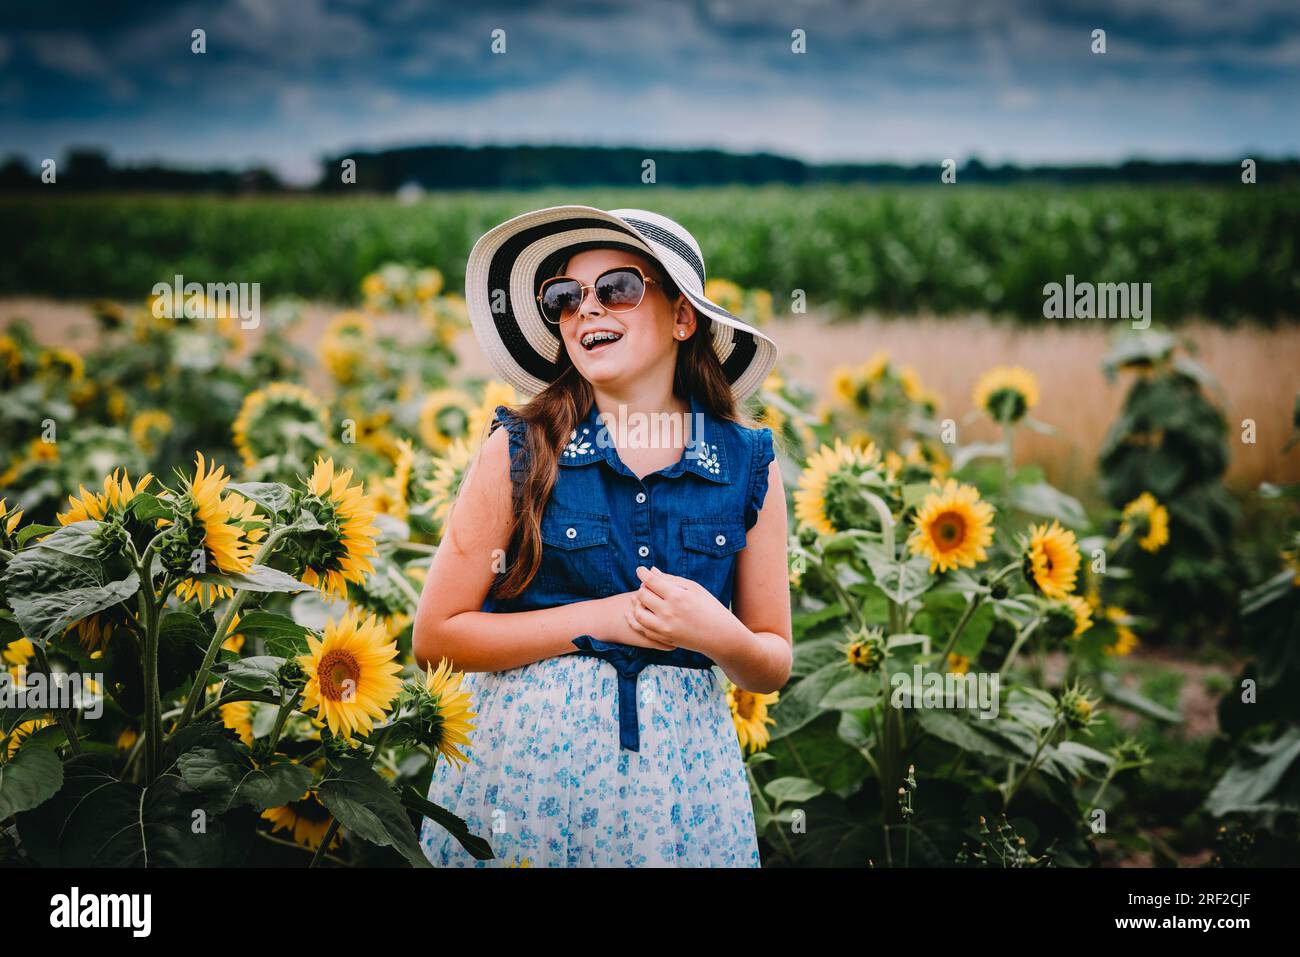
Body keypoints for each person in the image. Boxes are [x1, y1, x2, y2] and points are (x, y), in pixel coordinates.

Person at [413, 205, 791, 867]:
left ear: (682, 317)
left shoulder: (746, 463)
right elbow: (436, 636)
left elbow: (772, 659)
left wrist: (716, 632)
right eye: (564, 297)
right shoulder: (519, 451)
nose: (587, 309)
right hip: (525, 779)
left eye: (617, 287)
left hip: (681, 789)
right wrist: (605, 616)